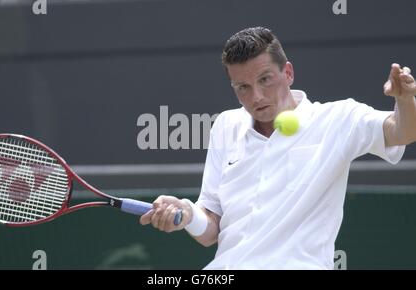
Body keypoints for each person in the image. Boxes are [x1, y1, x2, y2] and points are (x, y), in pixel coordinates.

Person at [140, 27, 416, 269]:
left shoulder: (339, 118)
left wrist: (406, 101)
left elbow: (403, 131)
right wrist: (186, 215)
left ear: (288, 73)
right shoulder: (225, 124)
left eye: (265, 80)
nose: (256, 96)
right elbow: (210, 230)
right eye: (242, 87)